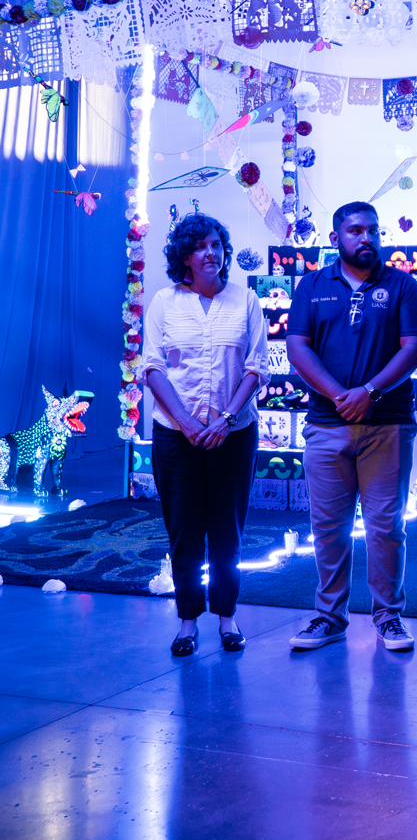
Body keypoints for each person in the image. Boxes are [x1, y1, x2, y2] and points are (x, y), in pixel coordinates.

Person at [285, 202, 417, 652]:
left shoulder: (402, 284)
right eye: (355, 231)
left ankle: (388, 618)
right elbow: (297, 348)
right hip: (327, 426)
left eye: (373, 231)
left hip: (386, 424)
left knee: (386, 526)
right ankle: (330, 617)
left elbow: (414, 347)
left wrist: (369, 391)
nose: (366, 238)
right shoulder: (311, 285)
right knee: (328, 527)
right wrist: (338, 395)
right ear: (335, 239)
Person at [143, 213, 268, 656]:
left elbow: (256, 367)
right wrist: (189, 423)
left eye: (217, 244)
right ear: (185, 256)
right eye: (200, 246)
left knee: (227, 530)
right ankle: (187, 620)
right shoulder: (164, 301)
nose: (210, 253)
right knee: (184, 530)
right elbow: (152, 367)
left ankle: (228, 617)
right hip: (176, 437)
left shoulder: (245, 300)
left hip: (234, 433)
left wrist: (227, 418)